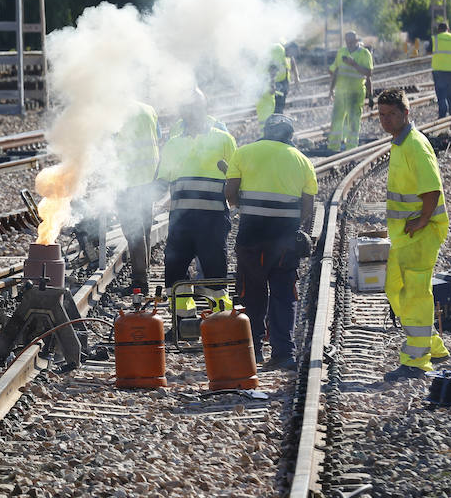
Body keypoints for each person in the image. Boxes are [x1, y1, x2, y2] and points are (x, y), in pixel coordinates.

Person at [225, 114, 317, 370]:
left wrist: (245, 206)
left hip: (251, 238)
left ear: (265, 131)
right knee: (284, 295)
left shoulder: (243, 153)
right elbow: (308, 207)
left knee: (251, 293)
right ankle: (283, 352)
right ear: (290, 135)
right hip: (284, 240)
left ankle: (252, 350)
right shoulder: (302, 161)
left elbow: (230, 194)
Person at [377, 89, 450, 381]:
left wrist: (421, 221)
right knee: (395, 288)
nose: (385, 120)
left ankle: (416, 361)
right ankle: (433, 345)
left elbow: (431, 190)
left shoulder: (415, 146)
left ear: (406, 114)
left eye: (391, 114)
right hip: (405, 235)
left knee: (415, 294)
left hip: (420, 234)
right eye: (381, 115)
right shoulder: (400, 143)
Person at [157, 88, 236, 322]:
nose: (193, 113)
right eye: (188, 109)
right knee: (175, 275)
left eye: (196, 108)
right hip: (181, 221)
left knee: (216, 276)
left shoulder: (224, 140)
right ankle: (183, 323)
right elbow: (162, 181)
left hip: (213, 221)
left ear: (205, 109)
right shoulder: (172, 145)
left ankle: (222, 323)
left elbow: (236, 177)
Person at [114, 101, 161, 296]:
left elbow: (110, 147)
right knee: (145, 228)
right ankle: (144, 274)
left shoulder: (117, 110)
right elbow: (157, 136)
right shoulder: (148, 109)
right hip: (149, 175)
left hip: (130, 179)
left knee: (134, 232)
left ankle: (140, 282)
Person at [327, 31, 373, 152]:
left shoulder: (364, 53)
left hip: (356, 93)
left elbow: (369, 73)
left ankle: (351, 148)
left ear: (356, 41)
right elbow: (335, 71)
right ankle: (333, 147)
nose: (349, 44)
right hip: (341, 92)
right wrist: (331, 90)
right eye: (347, 42)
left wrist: (354, 64)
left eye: (351, 42)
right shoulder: (342, 51)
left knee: (353, 121)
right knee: (336, 120)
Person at [428, 22, 451, 118]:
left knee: (441, 93)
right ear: (448, 29)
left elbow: (428, 52)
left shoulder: (435, 39)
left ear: (439, 30)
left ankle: (442, 115)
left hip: (439, 70)